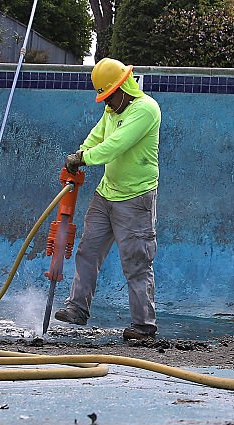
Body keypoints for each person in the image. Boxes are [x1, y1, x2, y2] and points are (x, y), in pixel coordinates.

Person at [55, 58, 162, 340]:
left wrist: (84, 159)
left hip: (135, 198)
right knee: (87, 251)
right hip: (106, 193)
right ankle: (77, 309)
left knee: (137, 262)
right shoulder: (111, 110)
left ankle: (143, 326)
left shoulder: (146, 110)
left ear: (123, 87)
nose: (107, 102)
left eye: (109, 95)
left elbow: (115, 146)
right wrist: (80, 153)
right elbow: (97, 136)